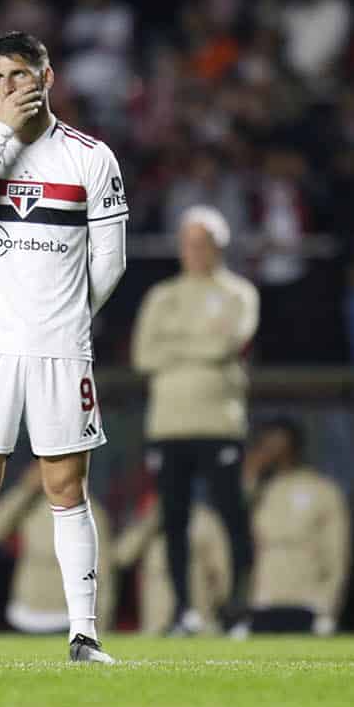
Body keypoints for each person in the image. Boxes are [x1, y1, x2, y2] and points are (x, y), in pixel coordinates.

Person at [0, 31, 127, 665]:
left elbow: (111, 265)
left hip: (58, 348)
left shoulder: (91, 158)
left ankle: (84, 633)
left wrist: (65, 318)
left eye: (19, 74)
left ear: (48, 76)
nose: (9, 87)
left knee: (66, 487)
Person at [130, 204, 258, 635]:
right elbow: (144, 356)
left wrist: (177, 346)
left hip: (219, 422)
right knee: (173, 520)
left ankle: (237, 608)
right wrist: (200, 344)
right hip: (168, 425)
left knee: (231, 516)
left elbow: (226, 345)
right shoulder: (162, 296)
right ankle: (184, 609)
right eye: (188, 243)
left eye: (203, 243)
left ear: (219, 247)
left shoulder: (238, 293)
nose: (195, 251)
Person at [235, 417, 350, 636]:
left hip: (306, 599)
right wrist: (249, 475)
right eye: (264, 444)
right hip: (263, 597)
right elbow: (232, 532)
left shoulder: (321, 489)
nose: (269, 451)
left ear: (293, 446)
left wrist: (328, 606)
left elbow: (337, 554)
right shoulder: (258, 491)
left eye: (275, 444)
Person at [0, 460, 115, 635]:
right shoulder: (28, 506)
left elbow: (104, 573)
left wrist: (102, 625)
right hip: (23, 614)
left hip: (65, 617)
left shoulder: (90, 512)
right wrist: (24, 489)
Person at [113, 497, 233, 635]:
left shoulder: (204, 519)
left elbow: (222, 575)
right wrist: (150, 523)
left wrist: (212, 607)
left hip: (196, 620)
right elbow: (121, 557)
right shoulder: (151, 519)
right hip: (155, 623)